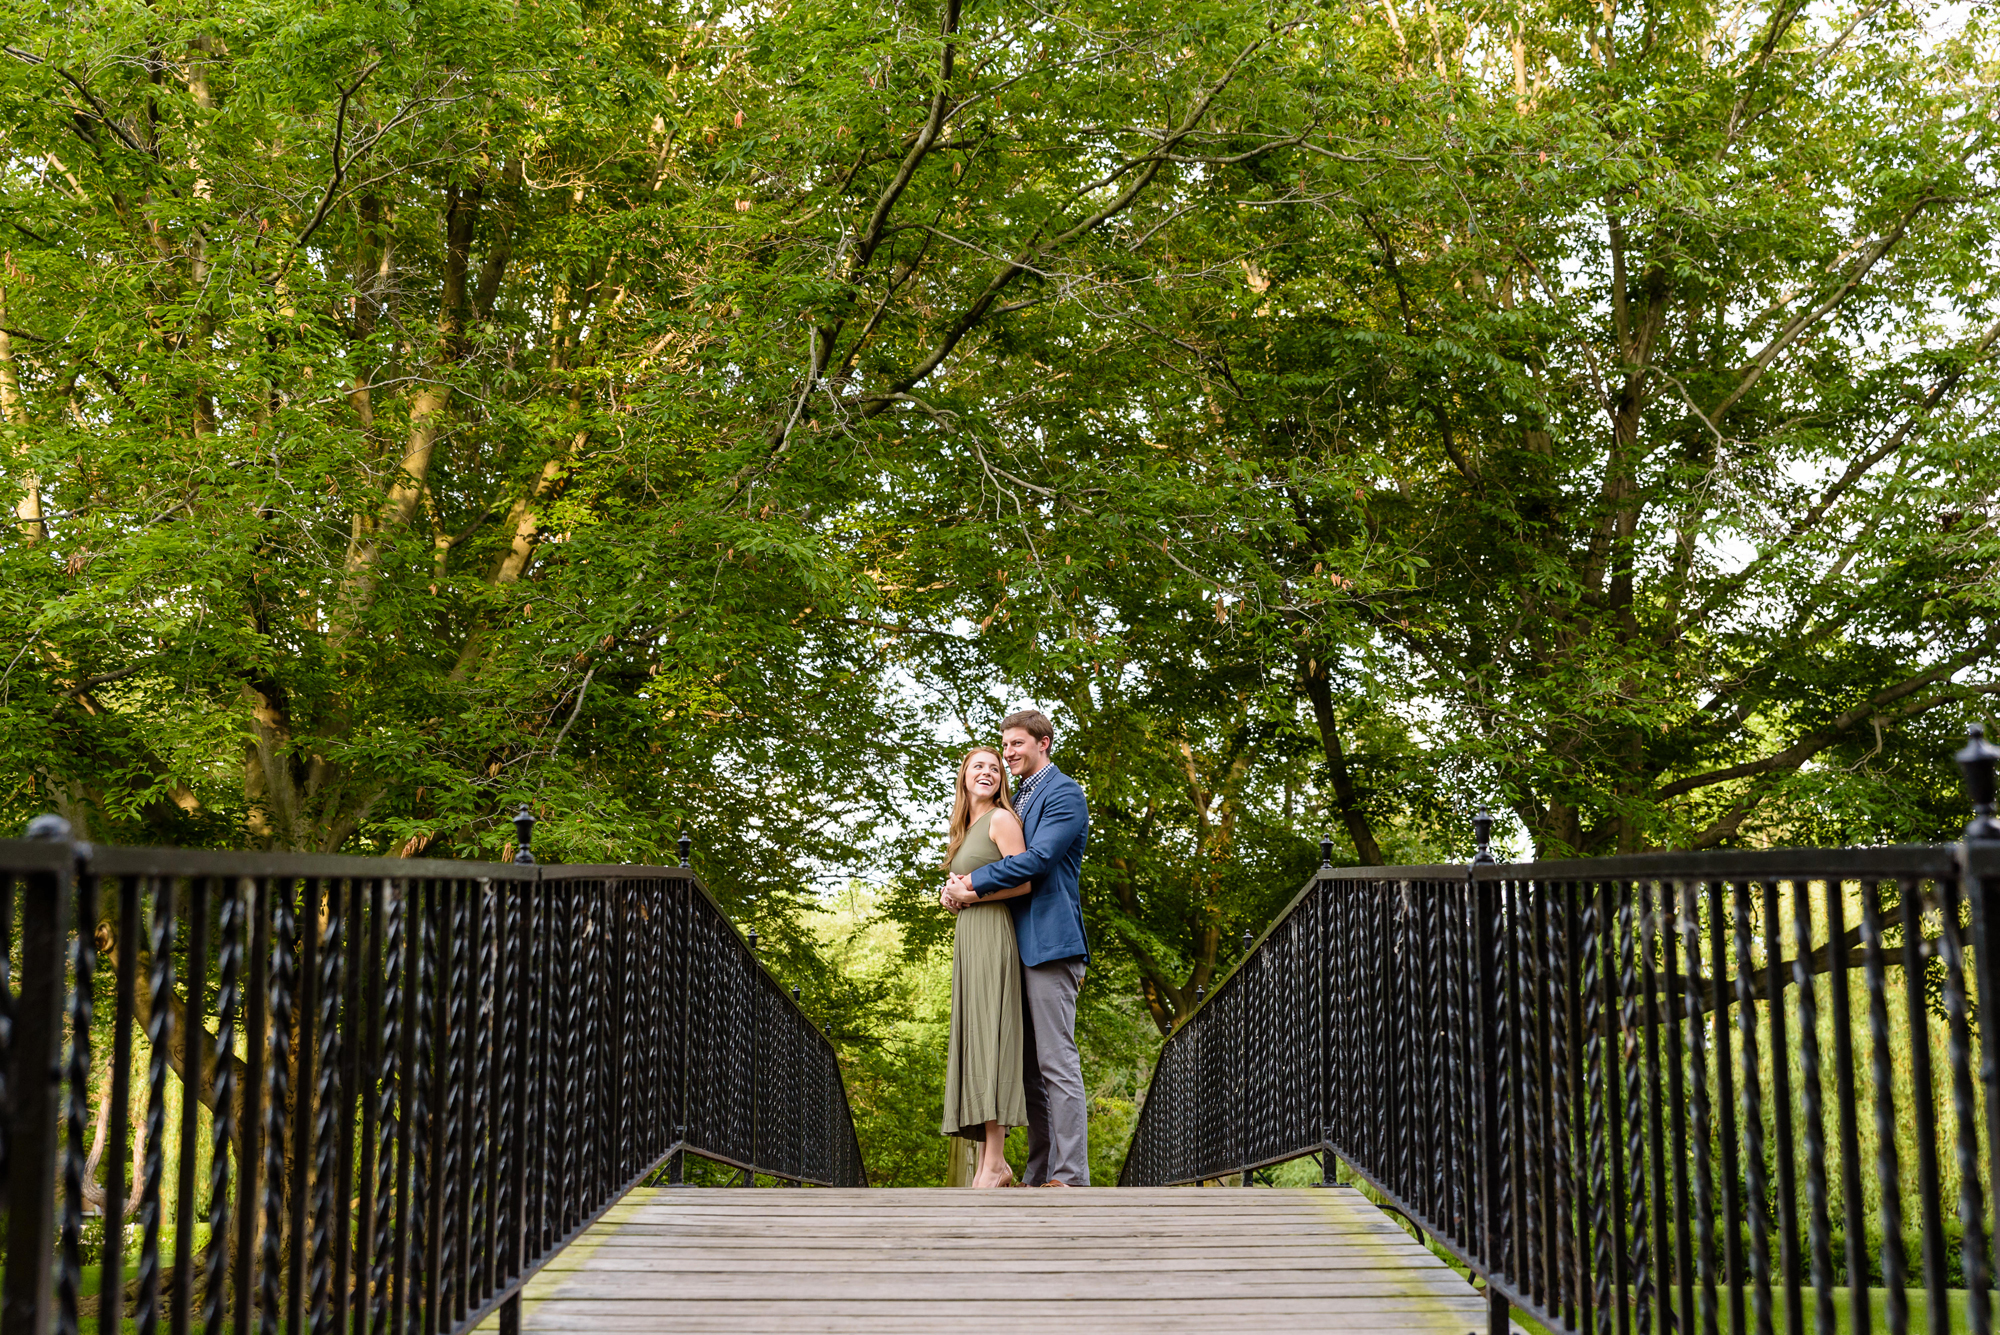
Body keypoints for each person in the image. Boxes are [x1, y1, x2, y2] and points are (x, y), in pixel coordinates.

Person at [943, 709, 1091, 1187]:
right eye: (1004, 746)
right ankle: (1038, 1172)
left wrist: (973, 883)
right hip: (1012, 948)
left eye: (1017, 745)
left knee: (1056, 1062)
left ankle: (1070, 1178)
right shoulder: (1021, 798)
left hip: (1049, 944)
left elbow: (1040, 860)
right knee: (1027, 1071)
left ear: (1043, 743)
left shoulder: (1064, 793)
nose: (1008, 754)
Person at [938, 746, 1032, 1188]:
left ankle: (995, 1162)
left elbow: (1024, 880)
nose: (987, 773)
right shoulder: (965, 826)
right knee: (975, 1041)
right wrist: (952, 898)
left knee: (992, 1040)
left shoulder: (1001, 819)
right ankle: (988, 1164)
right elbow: (969, 885)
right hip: (969, 938)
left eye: (995, 769)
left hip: (994, 938)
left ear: (1001, 780)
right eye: (978, 766)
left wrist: (972, 897)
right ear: (964, 776)